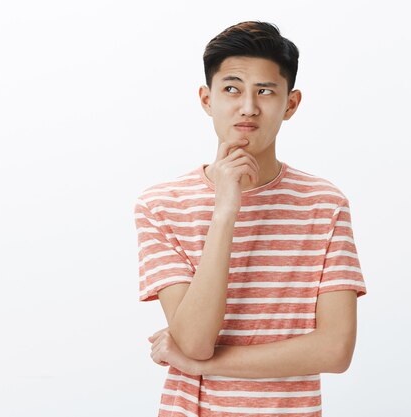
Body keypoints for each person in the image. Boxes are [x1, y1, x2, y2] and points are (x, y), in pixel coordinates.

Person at [133, 21, 367, 417]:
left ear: (290, 104)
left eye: (265, 91)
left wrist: (198, 367)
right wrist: (225, 211)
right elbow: (194, 340)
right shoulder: (161, 205)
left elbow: (335, 349)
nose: (248, 107)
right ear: (206, 99)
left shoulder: (324, 205)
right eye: (232, 89)